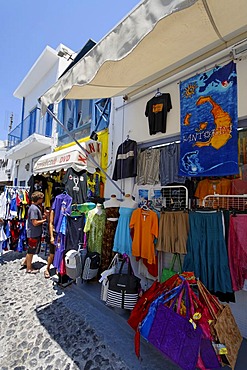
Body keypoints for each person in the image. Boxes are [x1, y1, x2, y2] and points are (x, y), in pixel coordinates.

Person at [25, 191, 47, 274]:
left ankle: (25, 263)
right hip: (33, 233)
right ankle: (29, 268)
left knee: (31, 249)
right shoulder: (34, 208)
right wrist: (44, 220)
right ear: (39, 199)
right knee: (31, 251)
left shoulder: (35, 207)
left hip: (34, 233)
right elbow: (35, 222)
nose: (43, 200)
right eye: (42, 199)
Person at [44, 208, 56, 278]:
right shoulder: (53, 210)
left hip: (60, 233)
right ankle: (47, 268)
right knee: (52, 253)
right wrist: (51, 236)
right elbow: (50, 223)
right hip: (53, 234)